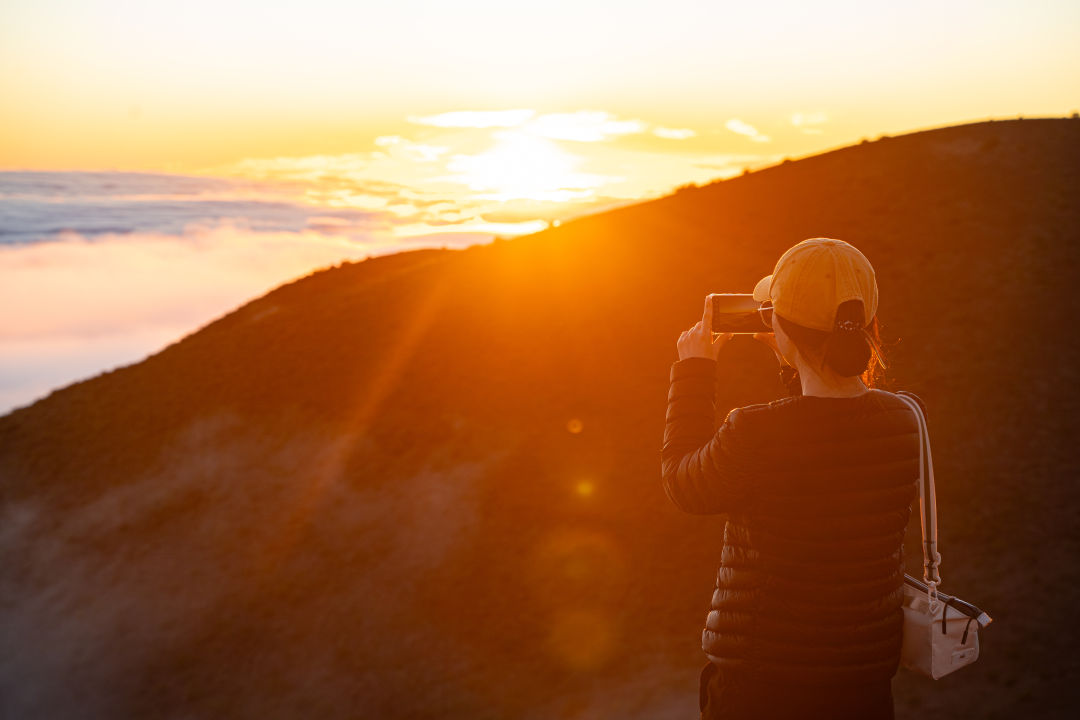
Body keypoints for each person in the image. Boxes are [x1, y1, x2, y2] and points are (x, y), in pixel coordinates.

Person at [660, 238, 926, 720]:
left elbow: (684, 483)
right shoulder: (904, 419)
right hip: (861, 685)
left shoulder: (756, 431)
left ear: (779, 325)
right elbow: (827, 429)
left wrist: (693, 373)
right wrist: (794, 358)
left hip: (764, 686)